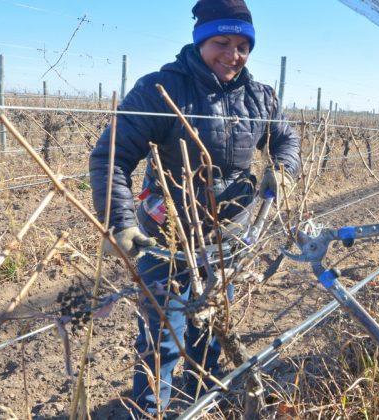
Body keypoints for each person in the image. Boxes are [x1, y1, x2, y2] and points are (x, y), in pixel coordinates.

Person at [88, 0, 301, 414]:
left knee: (212, 323)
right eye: (221, 41)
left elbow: (286, 139)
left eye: (243, 45)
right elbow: (111, 157)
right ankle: (151, 409)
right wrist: (120, 223)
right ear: (200, 40)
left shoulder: (261, 98)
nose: (232, 54)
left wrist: (283, 169)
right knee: (162, 334)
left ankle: (200, 396)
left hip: (228, 237)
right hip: (164, 236)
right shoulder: (160, 90)